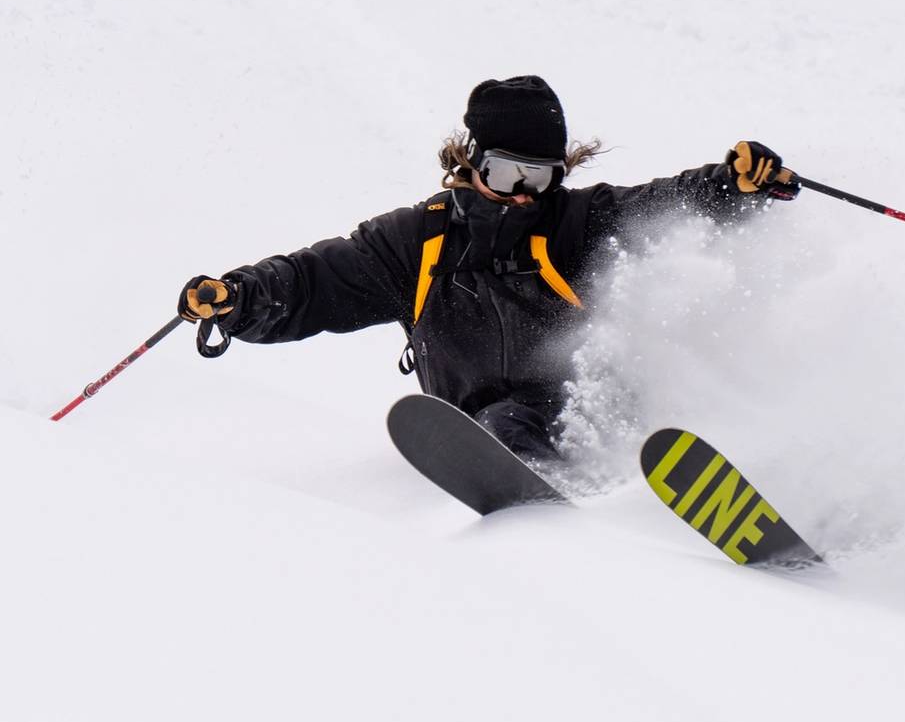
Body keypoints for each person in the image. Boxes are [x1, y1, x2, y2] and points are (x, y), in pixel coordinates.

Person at [178, 75, 798, 464]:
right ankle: (534, 494)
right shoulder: (414, 241)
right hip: (480, 432)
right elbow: (315, 282)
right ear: (471, 162)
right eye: (508, 173)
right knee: (501, 424)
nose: (526, 192)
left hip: (594, 416)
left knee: (529, 419)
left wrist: (732, 187)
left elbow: (660, 207)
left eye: (543, 174)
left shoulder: (580, 222)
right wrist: (239, 298)